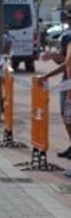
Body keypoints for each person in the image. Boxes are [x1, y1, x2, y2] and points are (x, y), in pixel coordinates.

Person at [40, 22, 71, 160]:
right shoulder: (67, 37)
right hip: (67, 84)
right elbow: (65, 62)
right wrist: (53, 57)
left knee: (67, 116)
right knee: (66, 116)